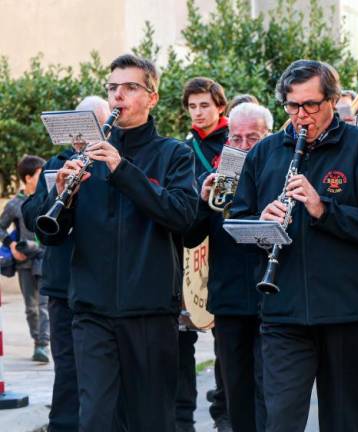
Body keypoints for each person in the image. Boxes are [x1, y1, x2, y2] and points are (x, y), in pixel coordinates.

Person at [229, 59, 358, 432]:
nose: (300, 116)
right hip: (283, 310)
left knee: (346, 422)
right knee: (280, 420)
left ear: (333, 100)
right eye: (292, 106)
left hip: (348, 312)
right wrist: (261, 224)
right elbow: (239, 222)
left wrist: (324, 209)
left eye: (311, 105)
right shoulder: (266, 152)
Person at [33, 53, 198, 432]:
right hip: (92, 310)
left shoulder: (174, 155)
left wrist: (122, 169)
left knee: (150, 419)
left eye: (129, 87)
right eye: (112, 88)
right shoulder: (85, 156)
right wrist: (61, 196)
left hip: (150, 310)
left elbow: (181, 215)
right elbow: (50, 234)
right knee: (94, 419)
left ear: (152, 97)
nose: (118, 95)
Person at [21, 96, 111, 432]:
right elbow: (33, 217)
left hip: (102, 286)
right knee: (69, 371)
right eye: (75, 128)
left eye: (89, 128)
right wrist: (56, 191)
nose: (80, 137)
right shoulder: (56, 163)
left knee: (100, 374)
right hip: (62, 285)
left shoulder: (116, 166)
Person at [186, 102, 272, 432]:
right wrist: (202, 204)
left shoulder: (281, 169)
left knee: (271, 389)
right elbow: (192, 238)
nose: (245, 145)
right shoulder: (220, 178)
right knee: (236, 388)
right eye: (236, 138)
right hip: (230, 298)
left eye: (254, 137)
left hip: (273, 297)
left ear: (269, 135)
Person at [178, 76, 231, 432]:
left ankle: (225, 411)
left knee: (228, 338)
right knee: (186, 330)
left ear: (220, 107)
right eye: (192, 106)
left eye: (204, 105)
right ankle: (182, 418)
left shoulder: (235, 141)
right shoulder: (183, 148)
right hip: (193, 245)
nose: (198, 113)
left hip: (225, 244)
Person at [0, 155, 47, 362]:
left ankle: (43, 345)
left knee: (45, 305)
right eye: (40, 174)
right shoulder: (14, 205)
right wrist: (11, 246)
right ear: (28, 178)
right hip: (24, 262)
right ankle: (37, 340)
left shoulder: (48, 198)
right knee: (31, 307)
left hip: (45, 258)